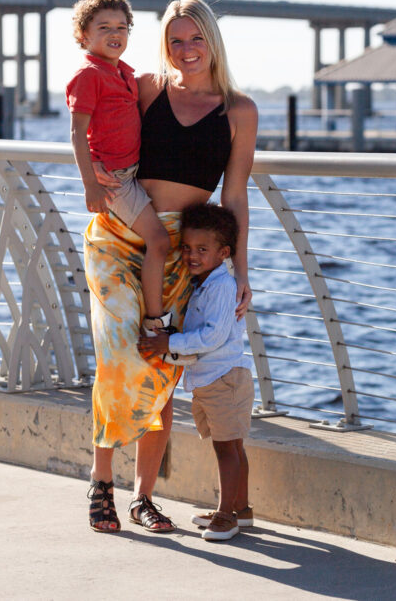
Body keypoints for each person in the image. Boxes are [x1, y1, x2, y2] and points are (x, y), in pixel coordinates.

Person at [84, 0, 257, 534]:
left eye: (196, 38)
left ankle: (144, 498)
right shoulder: (147, 89)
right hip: (121, 235)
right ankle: (101, 481)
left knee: (161, 373)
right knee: (118, 358)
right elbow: (98, 131)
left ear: (212, 41)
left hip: (184, 252)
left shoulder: (239, 111)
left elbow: (236, 198)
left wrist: (240, 271)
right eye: (176, 39)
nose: (186, 50)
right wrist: (92, 174)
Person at [139, 203, 254, 541]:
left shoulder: (220, 286)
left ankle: (225, 516)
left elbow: (214, 336)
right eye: (187, 248)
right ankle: (241, 510)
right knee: (232, 447)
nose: (192, 255)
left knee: (226, 449)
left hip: (225, 378)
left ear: (224, 253)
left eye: (202, 250)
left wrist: (170, 343)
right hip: (213, 378)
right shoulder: (207, 282)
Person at [66, 0, 174, 338]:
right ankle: (155, 323)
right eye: (103, 28)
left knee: (148, 244)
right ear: (84, 35)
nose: (115, 34)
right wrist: (91, 184)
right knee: (159, 242)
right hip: (115, 180)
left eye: (122, 27)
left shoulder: (124, 72)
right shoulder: (89, 75)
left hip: (135, 171)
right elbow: (77, 134)